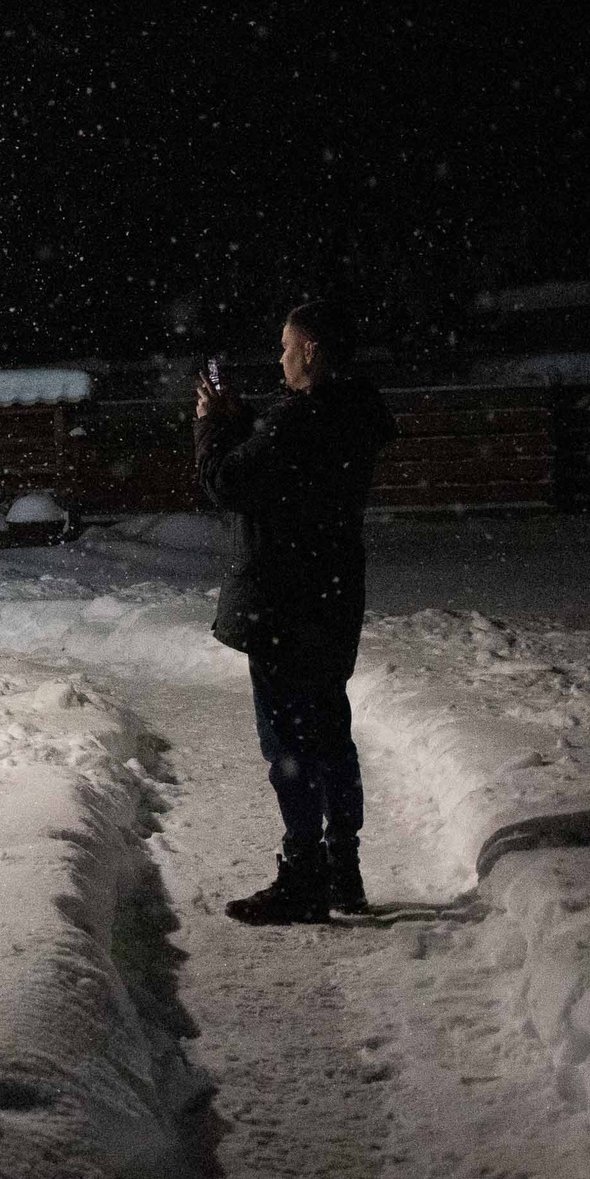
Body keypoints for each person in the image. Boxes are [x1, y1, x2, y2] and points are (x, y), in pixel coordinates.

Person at [195, 299, 399, 923]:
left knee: (289, 743)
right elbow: (286, 452)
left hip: (284, 602)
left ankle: (303, 876)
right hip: (330, 595)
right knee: (330, 735)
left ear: (311, 349)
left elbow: (229, 483)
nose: (281, 356)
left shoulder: (303, 422)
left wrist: (210, 425)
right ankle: (344, 871)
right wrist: (246, 420)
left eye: (287, 345)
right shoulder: (349, 413)